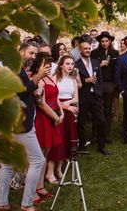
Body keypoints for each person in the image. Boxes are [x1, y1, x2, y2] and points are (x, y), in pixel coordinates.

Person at [0, 42, 48, 211]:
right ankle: (26, 204)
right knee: (38, 161)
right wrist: (38, 77)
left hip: (11, 122)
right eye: (31, 53)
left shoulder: (17, 68)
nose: (33, 56)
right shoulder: (14, 69)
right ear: (21, 51)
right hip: (20, 123)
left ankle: (1, 204)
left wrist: (35, 92)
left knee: (7, 164)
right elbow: (19, 92)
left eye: (35, 54)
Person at [31, 52, 63, 201]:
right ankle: (32, 191)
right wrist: (56, 117)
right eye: (46, 64)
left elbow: (56, 97)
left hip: (53, 116)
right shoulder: (37, 80)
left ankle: (40, 185)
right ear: (39, 65)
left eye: (50, 64)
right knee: (38, 155)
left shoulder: (49, 78)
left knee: (45, 154)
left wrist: (61, 113)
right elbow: (41, 103)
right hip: (43, 119)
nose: (49, 66)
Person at [47, 54, 79, 183]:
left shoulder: (73, 80)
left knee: (66, 139)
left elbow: (76, 98)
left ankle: (59, 169)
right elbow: (52, 98)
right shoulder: (54, 79)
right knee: (57, 141)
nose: (70, 66)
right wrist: (65, 107)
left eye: (72, 64)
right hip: (57, 111)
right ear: (61, 65)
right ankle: (50, 172)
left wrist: (70, 104)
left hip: (70, 112)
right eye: (67, 63)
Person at [74, 40, 109, 155]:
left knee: (101, 121)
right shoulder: (75, 64)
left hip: (96, 96)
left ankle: (101, 146)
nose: (88, 50)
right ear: (80, 50)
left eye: (89, 48)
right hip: (83, 96)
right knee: (82, 122)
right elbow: (74, 81)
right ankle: (82, 145)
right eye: (85, 48)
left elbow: (100, 78)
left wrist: (100, 91)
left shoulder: (95, 62)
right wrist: (85, 81)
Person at [92, 31, 119, 143]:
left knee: (108, 110)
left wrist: (115, 85)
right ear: (99, 42)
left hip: (109, 84)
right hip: (98, 83)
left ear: (110, 41)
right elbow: (91, 68)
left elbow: (117, 69)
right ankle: (95, 135)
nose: (104, 43)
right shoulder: (94, 53)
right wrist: (99, 65)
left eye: (106, 41)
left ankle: (106, 135)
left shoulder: (115, 53)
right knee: (97, 109)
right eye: (102, 41)